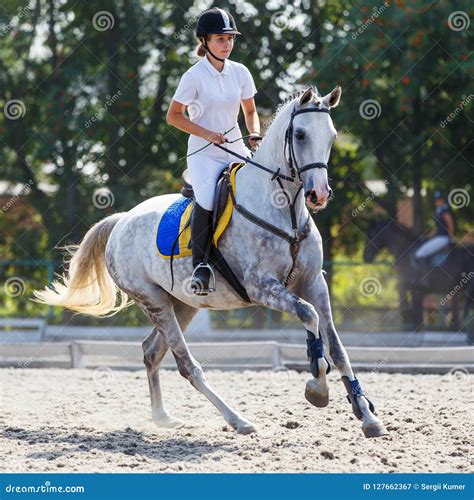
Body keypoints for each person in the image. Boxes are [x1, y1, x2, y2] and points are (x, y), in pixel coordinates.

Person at [166, 7, 261, 296]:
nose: (227, 44)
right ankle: (201, 267)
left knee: (264, 184)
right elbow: (174, 116)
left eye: (230, 38)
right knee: (207, 198)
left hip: (234, 146)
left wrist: (255, 132)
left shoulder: (240, 72)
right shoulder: (194, 76)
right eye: (221, 39)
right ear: (205, 41)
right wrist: (207, 133)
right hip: (204, 151)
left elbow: (251, 110)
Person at [415, 191, 455, 263]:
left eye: (439, 200)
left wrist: (450, 237)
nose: (437, 202)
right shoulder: (439, 211)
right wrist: (427, 236)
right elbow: (436, 228)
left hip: (443, 238)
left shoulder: (444, 210)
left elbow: (450, 223)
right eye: (436, 200)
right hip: (439, 238)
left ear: (443, 200)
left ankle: (424, 272)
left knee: (420, 253)